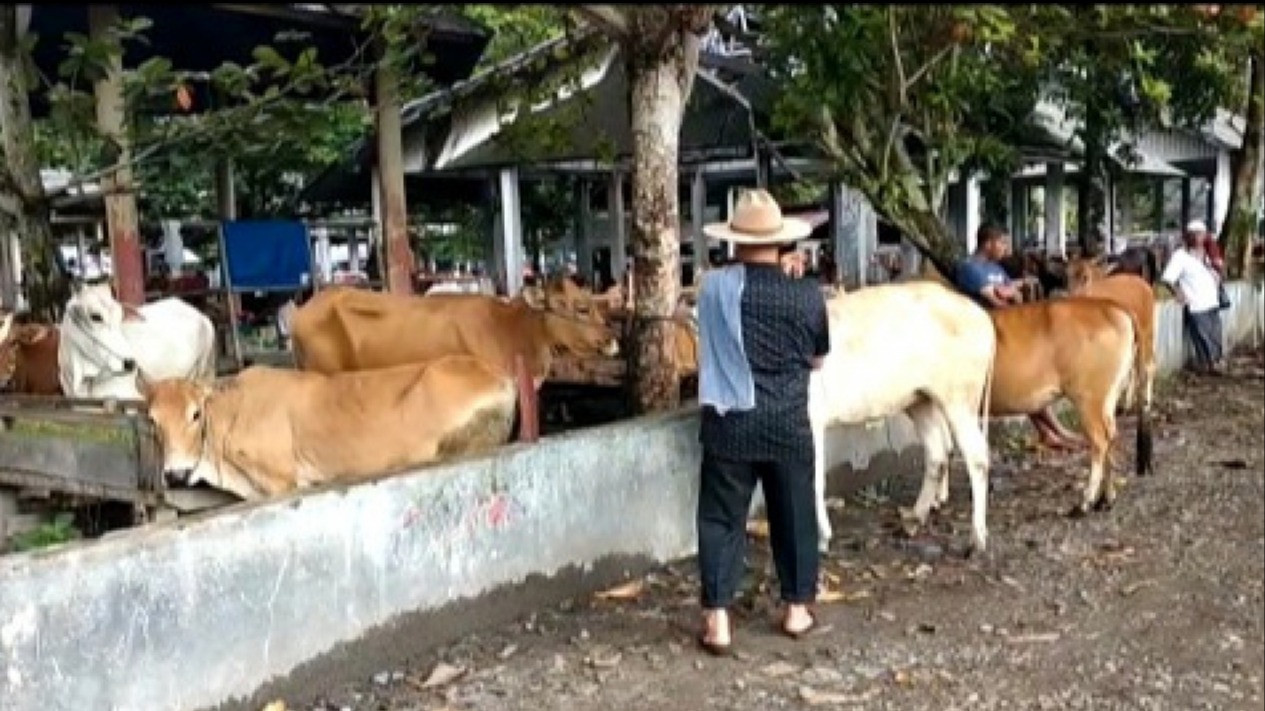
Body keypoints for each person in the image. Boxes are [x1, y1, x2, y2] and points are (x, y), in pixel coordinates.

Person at [694, 188, 829, 655]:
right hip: (787, 424)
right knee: (795, 516)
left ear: (734, 240)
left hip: (729, 425)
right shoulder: (807, 294)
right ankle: (796, 610)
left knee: (721, 519)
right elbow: (817, 360)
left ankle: (718, 621)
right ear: (782, 240)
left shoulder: (713, 289)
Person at [953, 224, 1080, 449]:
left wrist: (1012, 291)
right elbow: (997, 302)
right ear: (988, 243)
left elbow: (1016, 297)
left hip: (1009, 331)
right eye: (1002, 243)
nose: (1006, 248)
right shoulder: (970, 268)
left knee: (1031, 380)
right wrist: (1009, 293)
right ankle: (1055, 431)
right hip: (983, 334)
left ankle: (1050, 431)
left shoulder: (996, 269)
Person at [1162, 220, 1225, 375]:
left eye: (1200, 234)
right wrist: (1178, 292)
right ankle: (1208, 364)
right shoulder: (1180, 256)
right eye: (1193, 234)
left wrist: (1218, 275)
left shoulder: (1210, 254)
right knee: (1202, 337)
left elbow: (1220, 271)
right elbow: (1167, 278)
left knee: (1215, 335)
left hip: (1212, 301)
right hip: (1196, 304)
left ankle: (1215, 362)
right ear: (1187, 237)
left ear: (1205, 236)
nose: (1197, 238)